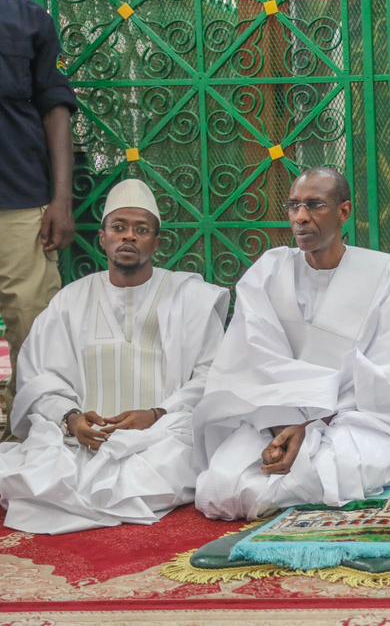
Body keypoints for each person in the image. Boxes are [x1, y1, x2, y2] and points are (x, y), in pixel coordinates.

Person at [194, 167, 390, 520]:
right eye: (294, 206)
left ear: (343, 212)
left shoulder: (386, 273)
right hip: (276, 417)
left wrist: (314, 424)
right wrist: (285, 426)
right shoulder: (268, 272)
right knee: (220, 489)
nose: (301, 217)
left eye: (314, 205)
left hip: (356, 420)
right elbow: (251, 361)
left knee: (325, 472)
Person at [0, 179, 228, 533]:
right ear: (103, 237)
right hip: (80, 439)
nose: (129, 237)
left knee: (172, 466)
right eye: (119, 228)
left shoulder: (190, 298)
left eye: (141, 230)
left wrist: (155, 415)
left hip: (162, 437)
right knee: (39, 470)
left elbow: (213, 376)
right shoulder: (70, 302)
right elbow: (40, 377)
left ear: (157, 241)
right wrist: (71, 418)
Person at [0, 0, 79, 440]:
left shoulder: (28, 20)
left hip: (20, 195)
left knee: (33, 316)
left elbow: (55, 108)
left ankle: (29, 430)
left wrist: (61, 198)